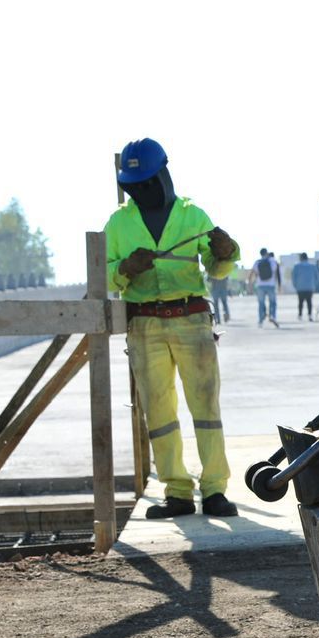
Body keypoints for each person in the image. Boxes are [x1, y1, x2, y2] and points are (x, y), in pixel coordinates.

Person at [106, 137, 240, 519]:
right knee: (159, 410)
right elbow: (103, 277)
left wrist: (226, 252)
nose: (143, 192)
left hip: (191, 319)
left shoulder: (192, 215)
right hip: (145, 325)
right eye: (136, 186)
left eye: (149, 183)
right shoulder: (119, 223)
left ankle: (214, 488)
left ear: (164, 175)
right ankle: (177, 491)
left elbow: (216, 268)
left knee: (205, 406)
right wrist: (124, 269)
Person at [250, 249, 281, 328]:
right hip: (271, 285)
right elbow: (276, 273)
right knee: (273, 302)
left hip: (260, 285)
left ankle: (260, 321)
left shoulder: (257, 262)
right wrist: (279, 285)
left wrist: (250, 285)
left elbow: (253, 273)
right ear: (267, 253)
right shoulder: (272, 261)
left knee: (261, 303)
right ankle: (272, 316)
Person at [292, 252, 319, 320]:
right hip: (310, 286)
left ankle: (300, 315)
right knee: (309, 302)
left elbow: (293, 277)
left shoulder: (296, 266)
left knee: (300, 302)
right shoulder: (312, 266)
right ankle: (310, 315)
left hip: (300, 287)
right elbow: (317, 277)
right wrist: (314, 285)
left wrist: (296, 285)